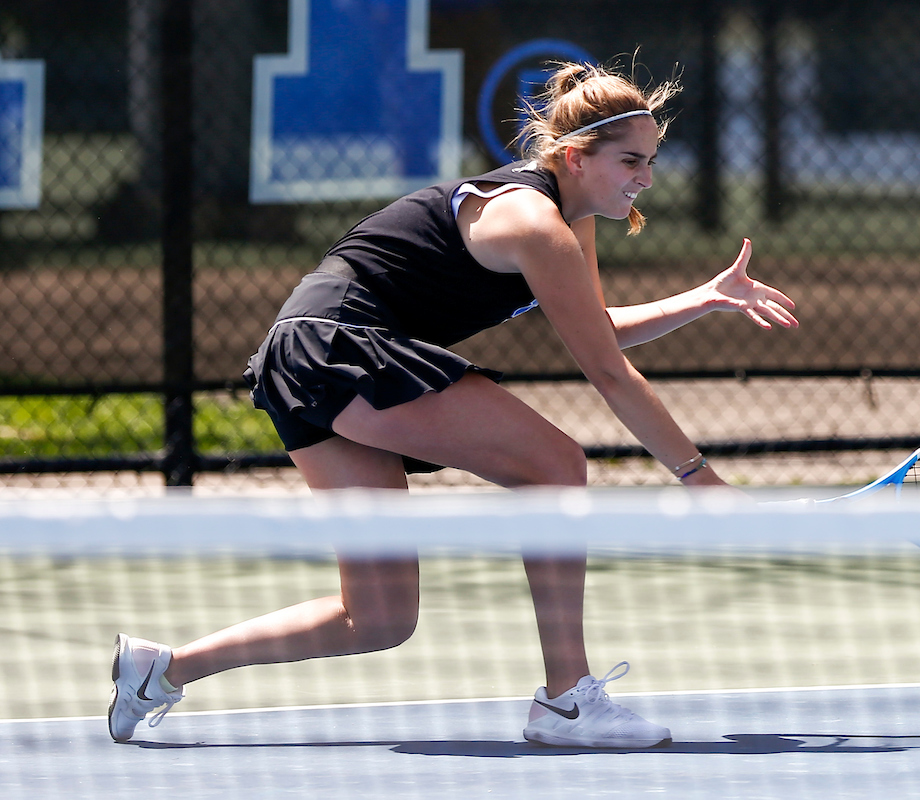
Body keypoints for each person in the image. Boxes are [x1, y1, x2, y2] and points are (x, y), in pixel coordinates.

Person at [108, 59, 798, 748]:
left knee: (378, 617)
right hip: (336, 344)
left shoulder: (568, 219)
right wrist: (698, 479)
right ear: (575, 157)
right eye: (629, 161)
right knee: (555, 466)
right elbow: (609, 374)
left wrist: (705, 298)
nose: (645, 178)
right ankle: (566, 701)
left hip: (305, 358)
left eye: (649, 161)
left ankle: (159, 669)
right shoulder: (536, 222)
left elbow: (598, 328)